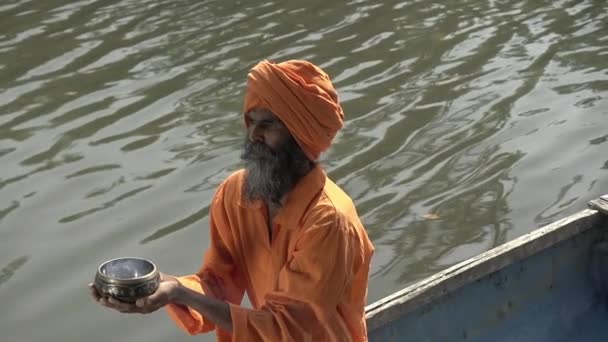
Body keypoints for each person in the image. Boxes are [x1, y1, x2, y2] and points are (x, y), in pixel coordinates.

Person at [89, 59, 375, 341]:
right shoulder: (236, 193)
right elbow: (218, 282)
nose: (254, 135)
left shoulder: (330, 220)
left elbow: (289, 329)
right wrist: (163, 285)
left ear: (301, 135)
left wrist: (180, 293)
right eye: (251, 121)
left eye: (268, 124)